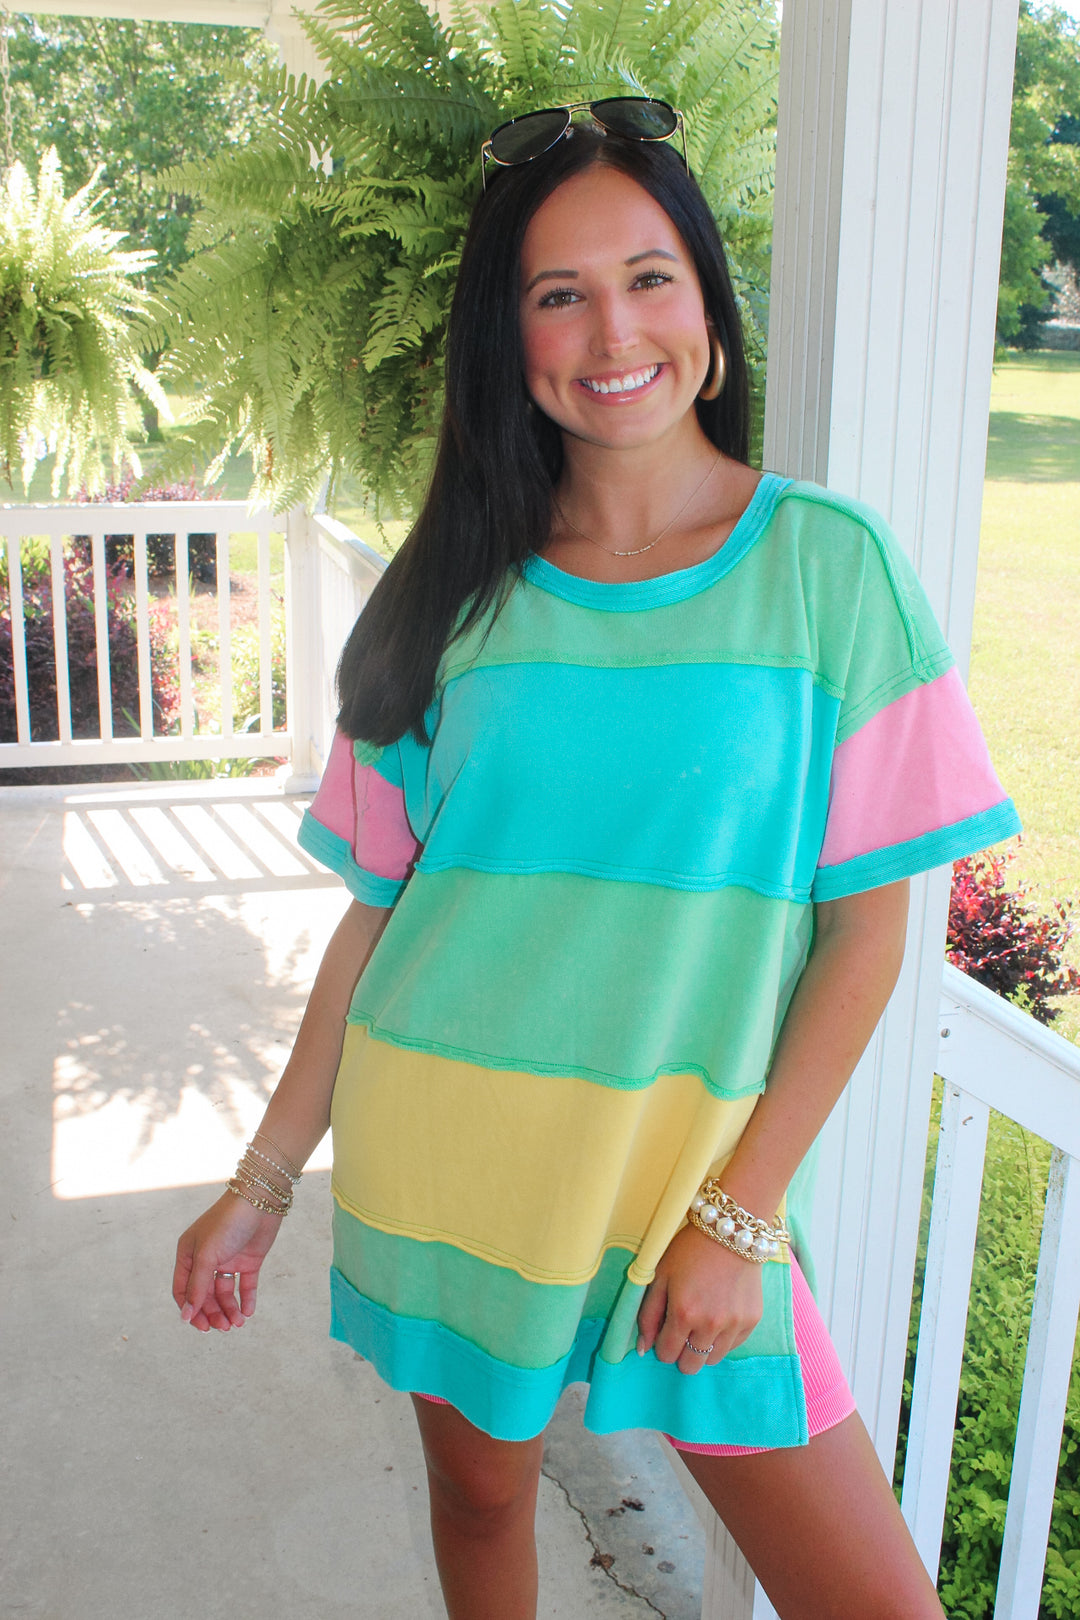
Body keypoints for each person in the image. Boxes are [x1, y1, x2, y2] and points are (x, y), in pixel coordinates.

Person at [174, 101, 1020, 1620]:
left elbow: (868, 936)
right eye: (558, 294)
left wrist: (740, 1216)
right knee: (481, 1492)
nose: (610, 329)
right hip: (450, 1154)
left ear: (706, 298)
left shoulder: (832, 571)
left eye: (649, 278)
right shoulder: (447, 599)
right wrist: (260, 1181)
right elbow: (377, 926)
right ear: (510, 335)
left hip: (686, 1200)